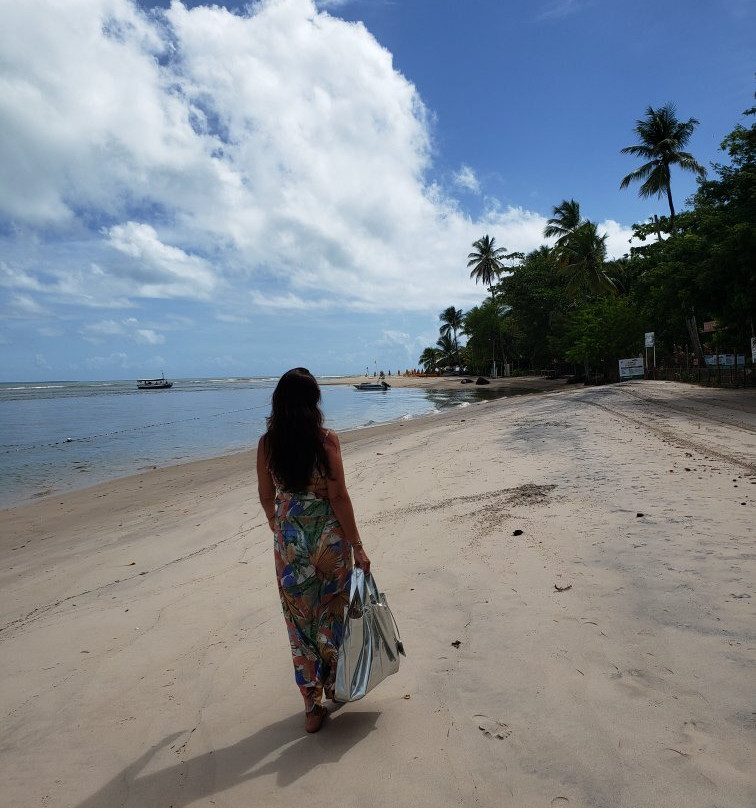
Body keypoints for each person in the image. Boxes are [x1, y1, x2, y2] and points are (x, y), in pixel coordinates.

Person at [257, 368, 371, 733]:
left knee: (299, 622)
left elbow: (265, 496)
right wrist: (358, 545)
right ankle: (336, 684)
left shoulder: (267, 444)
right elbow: (338, 495)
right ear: (313, 403)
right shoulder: (326, 441)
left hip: (289, 544)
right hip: (329, 540)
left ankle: (311, 706)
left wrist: (281, 527)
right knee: (331, 612)